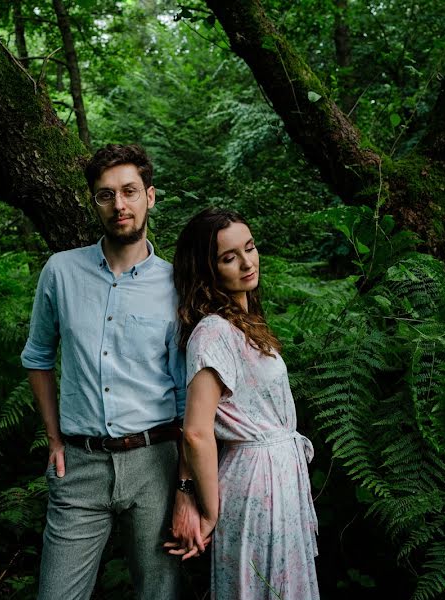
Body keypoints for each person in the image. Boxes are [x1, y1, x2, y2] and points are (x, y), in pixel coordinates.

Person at [21, 144, 192, 600]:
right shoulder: (61, 271)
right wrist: (55, 438)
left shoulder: (177, 284)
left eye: (130, 191)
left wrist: (185, 484)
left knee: (160, 594)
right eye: (106, 195)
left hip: (156, 460)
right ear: (94, 203)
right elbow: (37, 356)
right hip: (79, 464)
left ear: (149, 197)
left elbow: (184, 393)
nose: (120, 205)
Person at [166, 207, 320, 599]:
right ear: (208, 269)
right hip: (254, 482)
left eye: (249, 248)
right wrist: (210, 510)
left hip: (277, 476)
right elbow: (197, 431)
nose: (247, 262)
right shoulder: (213, 331)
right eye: (229, 257)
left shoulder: (243, 321)